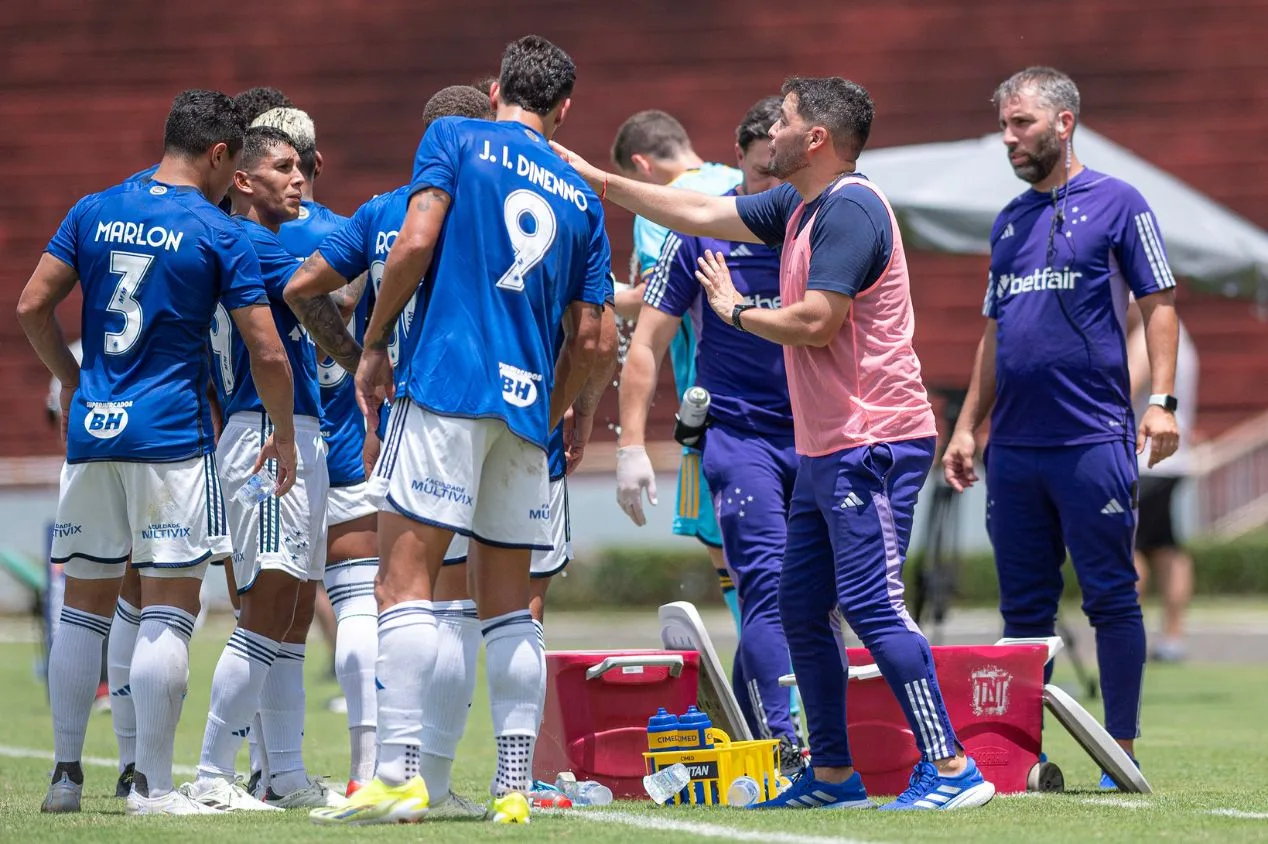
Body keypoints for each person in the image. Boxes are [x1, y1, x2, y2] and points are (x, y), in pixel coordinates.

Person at [555, 74, 997, 812]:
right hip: (829, 445)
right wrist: (602, 181)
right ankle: (830, 777)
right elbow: (698, 208)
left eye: (785, 121)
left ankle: (952, 767)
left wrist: (737, 311)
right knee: (799, 608)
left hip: (874, 441)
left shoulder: (849, 210)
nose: (771, 132)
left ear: (815, 139)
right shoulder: (799, 203)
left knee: (874, 606)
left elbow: (819, 320)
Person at [309, 35, 611, 824]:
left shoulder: (454, 135)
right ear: (564, 109)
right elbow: (594, 339)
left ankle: (401, 770)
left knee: (400, 585)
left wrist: (372, 343)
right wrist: (558, 411)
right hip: (523, 410)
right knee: (510, 610)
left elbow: (414, 241)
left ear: (495, 87)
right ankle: (514, 784)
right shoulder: (582, 195)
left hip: (445, 384)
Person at [19, 89, 297, 816]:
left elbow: (30, 306)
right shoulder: (217, 230)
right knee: (170, 613)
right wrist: (285, 430)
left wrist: (75, 383)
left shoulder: (92, 208)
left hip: (92, 435)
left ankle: (66, 777)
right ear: (217, 154)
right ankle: (153, 785)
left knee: (84, 610)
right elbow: (266, 349)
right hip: (169, 439)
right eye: (232, 162)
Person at [941, 67, 1181, 787]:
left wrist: (1162, 399)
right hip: (1013, 449)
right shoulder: (1008, 219)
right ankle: (1021, 757)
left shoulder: (1120, 202)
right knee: (1022, 610)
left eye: (1021, 124)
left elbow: (1161, 302)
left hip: (1092, 442)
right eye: (1005, 126)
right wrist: (965, 428)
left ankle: (1121, 752)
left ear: (1064, 122)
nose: (1008, 138)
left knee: (1110, 595)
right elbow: (996, 330)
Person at [284, 83, 496, 802]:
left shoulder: (379, 209)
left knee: (387, 594)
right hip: (479, 416)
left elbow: (303, 287)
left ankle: (385, 773)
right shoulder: (489, 210)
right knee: (455, 606)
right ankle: (430, 782)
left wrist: (357, 357)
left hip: (398, 423)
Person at [619, 95, 803, 772]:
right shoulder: (701, 231)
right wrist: (632, 447)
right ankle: (782, 738)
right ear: (740, 165)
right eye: (763, 173)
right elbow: (647, 343)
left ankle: (780, 723)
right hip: (740, 434)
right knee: (762, 584)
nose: (773, 189)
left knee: (827, 596)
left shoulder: (820, 221)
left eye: (784, 174)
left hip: (822, 435)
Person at [183, 126, 343, 811]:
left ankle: (283, 773)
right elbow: (323, 309)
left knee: (295, 609)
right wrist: (374, 354)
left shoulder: (237, 244)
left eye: (302, 167)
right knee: (268, 604)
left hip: (294, 433)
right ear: (243, 181)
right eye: (282, 168)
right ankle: (213, 774)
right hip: (265, 438)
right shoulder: (258, 245)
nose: (299, 178)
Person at [250, 103, 367, 795]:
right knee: (358, 603)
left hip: (272, 439)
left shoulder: (237, 238)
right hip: (348, 438)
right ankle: (369, 770)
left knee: (270, 614)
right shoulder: (352, 234)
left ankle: (270, 770)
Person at [610, 109, 742, 628]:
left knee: (725, 549)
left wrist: (589, 291)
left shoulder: (660, 208)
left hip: (708, 405)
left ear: (641, 165)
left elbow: (654, 301)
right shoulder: (742, 184)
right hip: (782, 400)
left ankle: (774, 686)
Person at [1127, 303, 1198, 662]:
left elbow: (1126, 386)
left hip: (1146, 458)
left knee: (1130, 546)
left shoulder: (1146, 334)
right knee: (1166, 546)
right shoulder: (1176, 332)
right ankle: (1173, 635)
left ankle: (1127, 632)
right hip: (1171, 457)